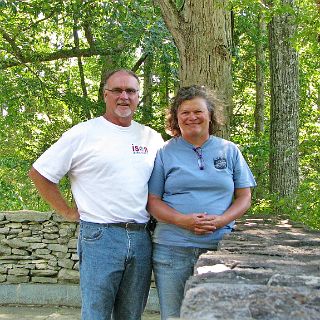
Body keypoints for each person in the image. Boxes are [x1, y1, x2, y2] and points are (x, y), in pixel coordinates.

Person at [29, 69, 164, 320]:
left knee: (131, 314)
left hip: (141, 236)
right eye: (117, 90)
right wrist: (67, 211)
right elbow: (40, 173)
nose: (124, 96)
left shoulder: (151, 137)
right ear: (105, 95)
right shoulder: (84, 133)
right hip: (101, 237)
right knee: (96, 314)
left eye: (131, 91)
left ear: (138, 97)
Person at [147, 85, 256, 320]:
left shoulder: (229, 150)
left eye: (198, 111)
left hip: (220, 248)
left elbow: (244, 196)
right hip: (171, 249)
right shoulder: (164, 152)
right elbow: (152, 201)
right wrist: (182, 220)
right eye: (184, 112)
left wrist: (222, 220)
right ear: (176, 118)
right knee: (174, 316)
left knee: (215, 315)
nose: (192, 117)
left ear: (210, 115)